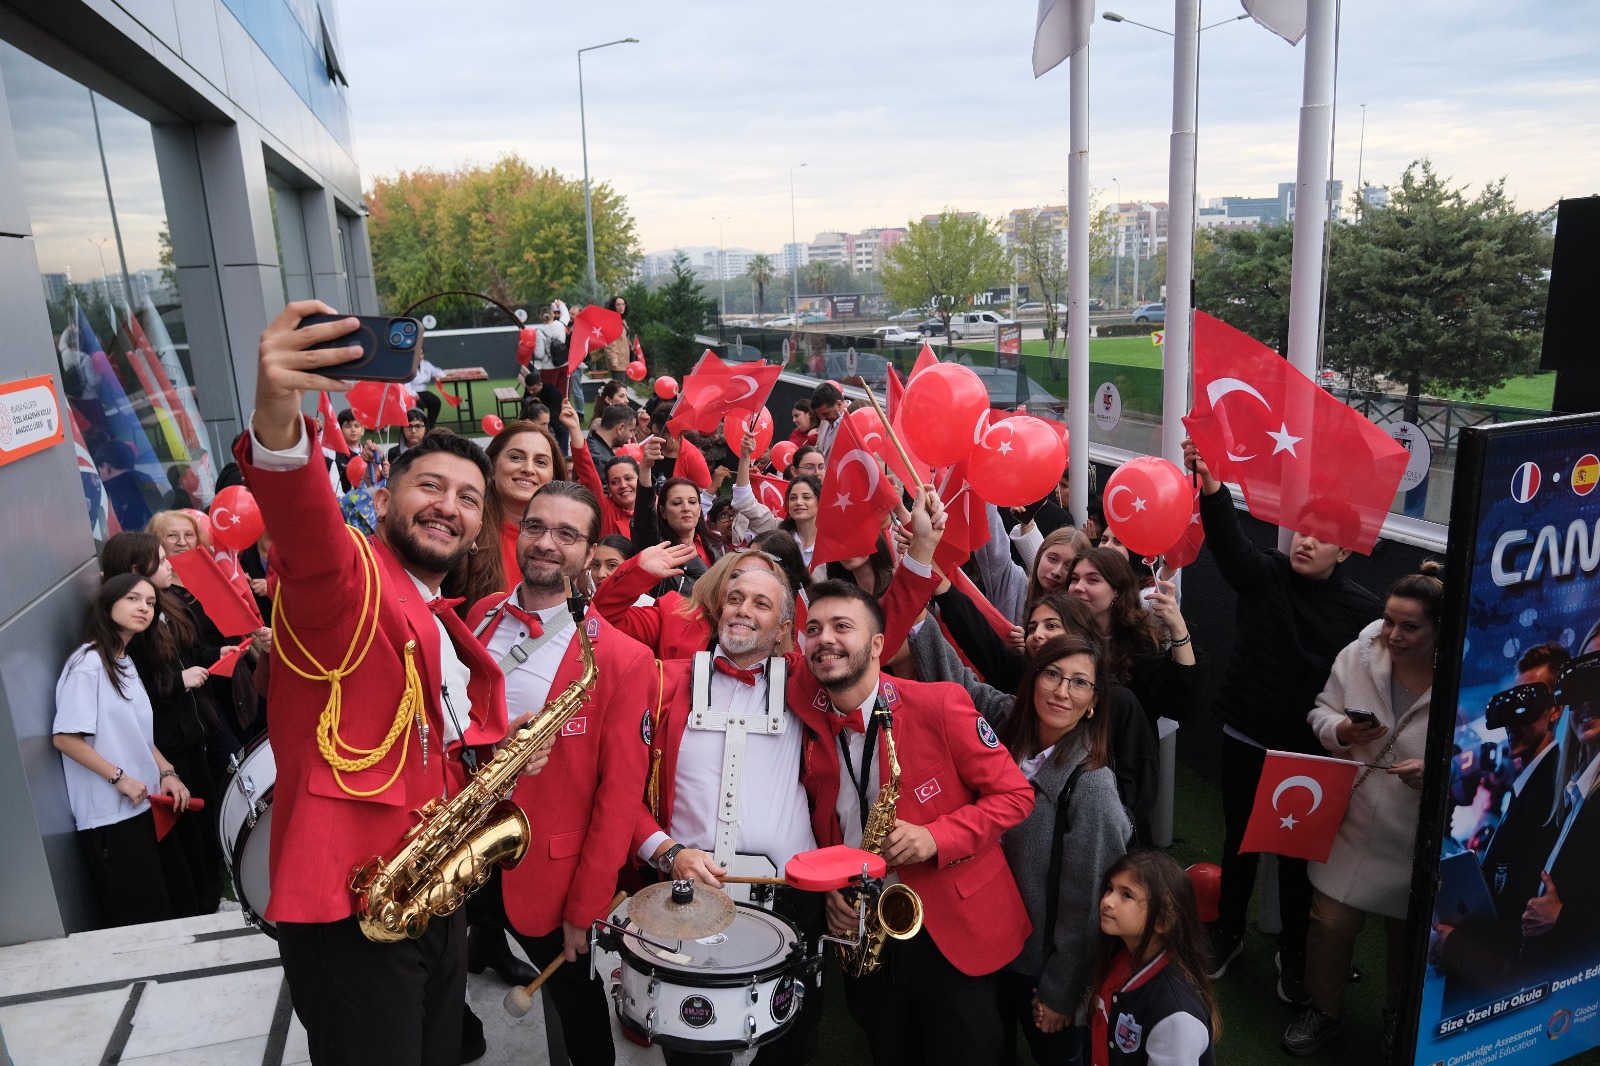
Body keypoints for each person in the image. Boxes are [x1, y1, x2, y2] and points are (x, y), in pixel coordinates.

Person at [237, 301, 544, 1066]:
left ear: (481, 526)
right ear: (383, 499)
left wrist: (495, 757)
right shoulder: (348, 580)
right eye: (429, 487)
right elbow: (305, 529)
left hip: (426, 897)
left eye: (468, 499)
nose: (449, 506)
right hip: (352, 906)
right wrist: (278, 415)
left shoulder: (437, 613)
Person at [635, 495, 947, 1066]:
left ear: (784, 627)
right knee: (693, 1041)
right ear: (715, 607)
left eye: (762, 603)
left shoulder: (805, 682)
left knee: (788, 1046)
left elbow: (867, 638)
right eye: (735, 597)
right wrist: (668, 851)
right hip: (688, 893)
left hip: (789, 900)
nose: (744, 611)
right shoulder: (666, 682)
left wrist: (921, 553)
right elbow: (624, 789)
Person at [805, 579, 1034, 1066]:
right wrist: (830, 890)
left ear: (876, 645)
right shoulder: (810, 729)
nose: (824, 638)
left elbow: (1016, 795)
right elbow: (824, 828)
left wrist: (936, 836)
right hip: (866, 929)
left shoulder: (941, 703)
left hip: (952, 929)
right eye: (813, 628)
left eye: (841, 626)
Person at [1181, 437, 1379, 998]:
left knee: (1297, 863)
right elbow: (1228, 543)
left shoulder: (1363, 612)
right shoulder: (1263, 575)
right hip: (1246, 734)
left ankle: (1295, 952)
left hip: (1311, 752)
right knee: (1239, 845)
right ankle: (1228, 933)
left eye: (1322, 538)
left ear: (1345, 552)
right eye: (1302, 531)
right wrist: (1213, 486)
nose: (1306, 542)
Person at [464, 481, 652, 1066]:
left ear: (589, 553)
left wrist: (586, 908)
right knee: (442, 975)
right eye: (538, 527)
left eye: (567, 534)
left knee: (576, 1006)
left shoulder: (623, 658)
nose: (547, 543)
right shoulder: (480, 615)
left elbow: (618, 800)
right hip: (460, 849)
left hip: (546, 871)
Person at [1282, 564, 1442, 1057]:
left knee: (1409, 937)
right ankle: (1324, 1012)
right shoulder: (1357, 654)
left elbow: (1487, 753)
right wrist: (1343, 733)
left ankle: (1399, 1017)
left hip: (1420, 835)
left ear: (1442, 629)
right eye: (1389, 620)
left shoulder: (1467, 675)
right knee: (1329, 923)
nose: (1394, 635)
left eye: (1410, 626)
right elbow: (1320, 710)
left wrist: (1438, 772)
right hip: (1350, 820)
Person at [996, 636, 1133, 1066]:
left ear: (1093, 702)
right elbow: (963, 684)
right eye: (1053, 674)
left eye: (1079, 683)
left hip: (1040, 971)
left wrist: (1061, 992)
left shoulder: (1091, 785)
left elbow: (1090, 903)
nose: (1061, 691)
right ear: (1033, 680)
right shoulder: (1008, 735)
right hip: (992, 949)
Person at [52, 572, 197, 926]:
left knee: (171, 907)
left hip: (146, 806)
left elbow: (139, 736)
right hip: (111, 816)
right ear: (107, 604)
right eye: (133, 599)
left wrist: (167, 773)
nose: (143, 608)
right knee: (143, 919)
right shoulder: (87, 664)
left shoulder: (124, 660)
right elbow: (65, 738)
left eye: (150, 602)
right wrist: (120, 778)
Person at [100, 532, 226, 914]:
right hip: (165, 745)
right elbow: (130, 695)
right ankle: (203, 905)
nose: (171, 562)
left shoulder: (165, 606)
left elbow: (183, 656)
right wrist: (176, 683)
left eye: (147, 603)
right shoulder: (116, 639)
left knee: (205, 825)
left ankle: (213, 895)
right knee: (187, 833)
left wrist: (213, 656)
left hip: (190, 733)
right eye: (161, 558)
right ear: (136, 570)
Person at [1089, 852, 1219, 1066]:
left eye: (1127, 895)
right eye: (1110, 888)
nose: (1107, 901)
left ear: (1162, 921)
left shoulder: (1176, 1017)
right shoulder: (1121, 954)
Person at [95, 439, 162, 531]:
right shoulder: (146, 480)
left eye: (99, 469)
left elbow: (102, 528)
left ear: (106, 467)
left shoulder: (105, 490)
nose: (99, 474)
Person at [586, 403, 635, 469]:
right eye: (631, 430)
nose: (631, 436)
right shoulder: (601, 460)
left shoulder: (591, 442)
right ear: (620, 428)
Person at [597, 295, 632, 380]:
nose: (621, 307)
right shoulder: (611, 321)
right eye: (618, 305)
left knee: (623, 387)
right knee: (619, 387)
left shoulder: (622, 321)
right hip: (617, 360)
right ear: (613, 306)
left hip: (625, 359)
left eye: (623, 304)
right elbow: (610, 343)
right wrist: (613, 359)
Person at [405, 359, 446, 428]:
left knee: (435, 402)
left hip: (423, 390)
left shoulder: (426, 364)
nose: (420, 356)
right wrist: (412, 393)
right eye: (418, 353)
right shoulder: (407, 365)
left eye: (421, 354)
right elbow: (405, 383)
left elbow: (437, 371)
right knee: (419, 404)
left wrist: (439, 375)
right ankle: (419, 427)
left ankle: (429, 426)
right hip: (409, 391)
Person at [810, 381, 844, 456]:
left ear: (839, 404)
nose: (822, 419)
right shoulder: (825, 420)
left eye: (826, 413)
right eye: (819, 415)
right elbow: (818, 449)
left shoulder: (853, 422)